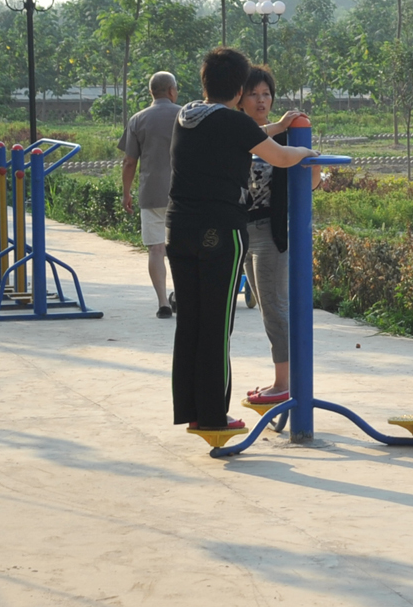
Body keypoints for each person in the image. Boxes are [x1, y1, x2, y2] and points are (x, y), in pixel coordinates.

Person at [168, 47, 315, 435]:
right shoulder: (233, 124)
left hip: (178, 229)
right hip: (218, 232)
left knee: (192, 324)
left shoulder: (187, 117)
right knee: (217, 326)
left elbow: (249, 135)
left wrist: (277, 127)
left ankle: (194, 411)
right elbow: (282, 158)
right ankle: (215, 416)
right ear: (238, 91)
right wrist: (307, 151)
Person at [238, 66, 313, 408]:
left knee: (274, 309)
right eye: (254, 94)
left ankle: (284, 384)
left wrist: (309, 162)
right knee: (267, 307)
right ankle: (282, 381)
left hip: (270, 232)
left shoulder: (283, 137)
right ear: (240, 98)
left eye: (266, 94)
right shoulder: (235, 134)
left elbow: (309, 183)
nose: (262, 100)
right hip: (243, 231)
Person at [119, 71, 180, 319]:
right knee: (181, 249)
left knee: (156, 249)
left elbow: (129, 162)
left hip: (151, 193)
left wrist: (126, 193)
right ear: (172, 91)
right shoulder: (185, 114)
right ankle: (182, 294)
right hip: (183, 193)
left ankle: (163, 302)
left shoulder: (138, 119)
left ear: (151, 92)